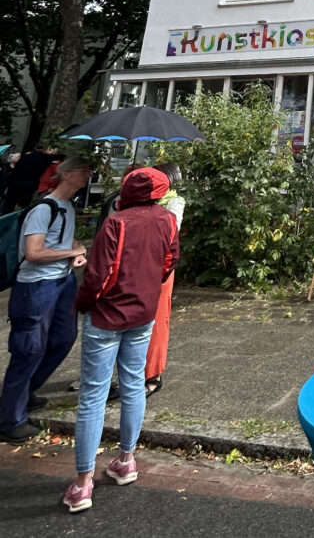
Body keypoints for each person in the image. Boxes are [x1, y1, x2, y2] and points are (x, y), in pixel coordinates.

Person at [63, 167, 179, 513]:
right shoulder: (167, 221)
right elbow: (168, 263)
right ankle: (126, 460)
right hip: (143, 315)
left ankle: (83, 484)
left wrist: (82, 304)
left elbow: (98, 275)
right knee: (132, 385)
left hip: (107, 317)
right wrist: (145, 290)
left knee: (93, 395)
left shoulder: (117, 223)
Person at [0, 156, 91, 444]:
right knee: (29, 347)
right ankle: (9, 418)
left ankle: (26, 391)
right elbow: (34, 253)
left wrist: (77, 249)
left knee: (64, 337)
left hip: (62, 281)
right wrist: (68, 253)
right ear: (66, 175)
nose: (88, 175)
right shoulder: (43, 209)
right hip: (36, 286)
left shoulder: (69, 206)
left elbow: (66, 241)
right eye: (83, 171)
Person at [144, 162, 185, 397]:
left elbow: (170, 235)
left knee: (158, 318)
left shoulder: (173, 203)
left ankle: (152, 373)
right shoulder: (125, 206)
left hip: (159, 267)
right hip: (134, 270)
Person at [1, 146, 63, 214]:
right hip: (31, 185)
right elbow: (61, 156)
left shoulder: (25, 157)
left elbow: (14, 173)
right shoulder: (44, 158)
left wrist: (8, 184)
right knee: (24, 206)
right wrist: (52, 153)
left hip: (16, 184)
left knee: (9, 205)